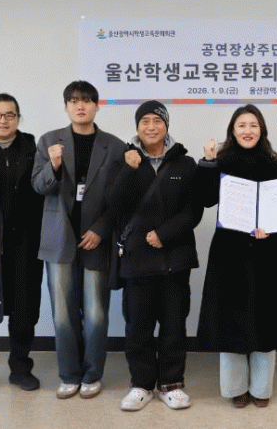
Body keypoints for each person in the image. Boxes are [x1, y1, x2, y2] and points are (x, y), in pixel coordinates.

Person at [106, 100, 204, 411]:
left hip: (176, 257)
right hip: (137, 257)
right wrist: (129, 170)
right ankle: (141, 384)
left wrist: (165, 233)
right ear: (137, 127)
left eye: (157, 121)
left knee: (174, 325)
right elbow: (113, 205)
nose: (151, 127)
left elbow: (194, 209)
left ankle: (171, 383)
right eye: (145, 121)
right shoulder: (124, 160)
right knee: (138, 326)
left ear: (166, 125)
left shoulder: (185, 163)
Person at [197, 104, 277, 409]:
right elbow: (206, 199)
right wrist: (208, 162)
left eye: (253, 125)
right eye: (242, 125)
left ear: (261, 129)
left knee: (265, 318)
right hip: (229, 251)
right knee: (231, 319)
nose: (248, 130)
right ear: (233, 130)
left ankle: (262, 389)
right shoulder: (221, 161)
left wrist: (273, 225)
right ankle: (235, 388)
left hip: (266, 250)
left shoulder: (274, 164)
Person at [31, 81, 125, 399]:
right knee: (63, 313)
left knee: (96, 313)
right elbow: (39, 186)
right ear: (66, 106)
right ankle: (69, 374)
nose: (80, 106)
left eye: (86, 100)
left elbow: (120, 197)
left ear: (97, 105)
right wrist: (54, 165)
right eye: (73, 101)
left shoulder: (114, 146)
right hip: (59, 237)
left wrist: (102, 229)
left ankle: (92, 374)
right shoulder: (49, 141)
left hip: (95, 238)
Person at [0, 94, 43, 395]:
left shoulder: (32, 148)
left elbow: (42, 189)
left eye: (9, 115)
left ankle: (20, 368)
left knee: (24, 308)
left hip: (24, 241)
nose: (2, 120)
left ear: (18, 117)